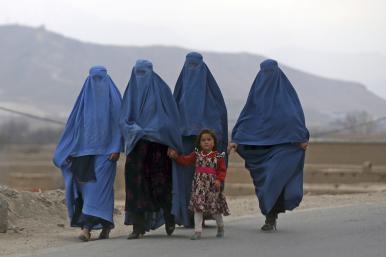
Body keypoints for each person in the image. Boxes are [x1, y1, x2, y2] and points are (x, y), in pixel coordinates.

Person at [229, 59, 309, 232]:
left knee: (274, 178)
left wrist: (302, 137)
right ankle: (269, 214)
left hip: (283, 148)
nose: (268, 77)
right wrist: (237, 139)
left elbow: (295, 118)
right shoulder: (256, 97)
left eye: (270, 73)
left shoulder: (287, 97)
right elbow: (247, 117)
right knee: (264, 185)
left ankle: (270, 217)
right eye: (265, 73)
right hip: (259, 151)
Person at [53, 66, 122, 241]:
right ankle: (101, 226)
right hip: (84, 153)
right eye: (94, 80)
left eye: (100, 79)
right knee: (88, 191)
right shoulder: (84, 100)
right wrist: (70, 149)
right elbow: (74, 126)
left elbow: (119, 124)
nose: (97, 83)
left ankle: (88, 227)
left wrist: (117, 147)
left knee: (101, 191)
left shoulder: (114, 100)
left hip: (107, 153)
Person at [120, 60, 183, 239]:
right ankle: (137, 227)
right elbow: (123, 119)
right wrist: (134, 129)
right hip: (136, 145)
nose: (141, 77)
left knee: (160, 184)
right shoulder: (130, 92)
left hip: (158, 145)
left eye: (144, 73)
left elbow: (171, 118)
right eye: (138, 73)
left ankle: (169, 217)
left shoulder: (162, 90)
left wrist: (169, 140)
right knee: (135, 186)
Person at [172, 52, 228, 227]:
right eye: (190, 66)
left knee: (207, 181)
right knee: (185, 180)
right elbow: (173, 115)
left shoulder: (212, 93)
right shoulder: (180, 89)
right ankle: (187, 216)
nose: (193, 70)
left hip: (206, 144)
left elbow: (220, 117)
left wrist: (210, 139)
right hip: (184, 142)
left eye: (196, 66)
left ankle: (202, 215)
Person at [168, 129, 230, 240]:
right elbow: (185, 160)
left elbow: (222, 170)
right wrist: (176, 157)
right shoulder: (196, 154)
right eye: (203, 140)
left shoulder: (218, 156)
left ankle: (220, 227)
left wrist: (219, 180)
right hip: (199, 188)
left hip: (212, 188)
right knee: (198, 209)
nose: (206, 142)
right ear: (199, 143)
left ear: (214, 142)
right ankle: (197, 231)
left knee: (214, 209)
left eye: (209, 139)